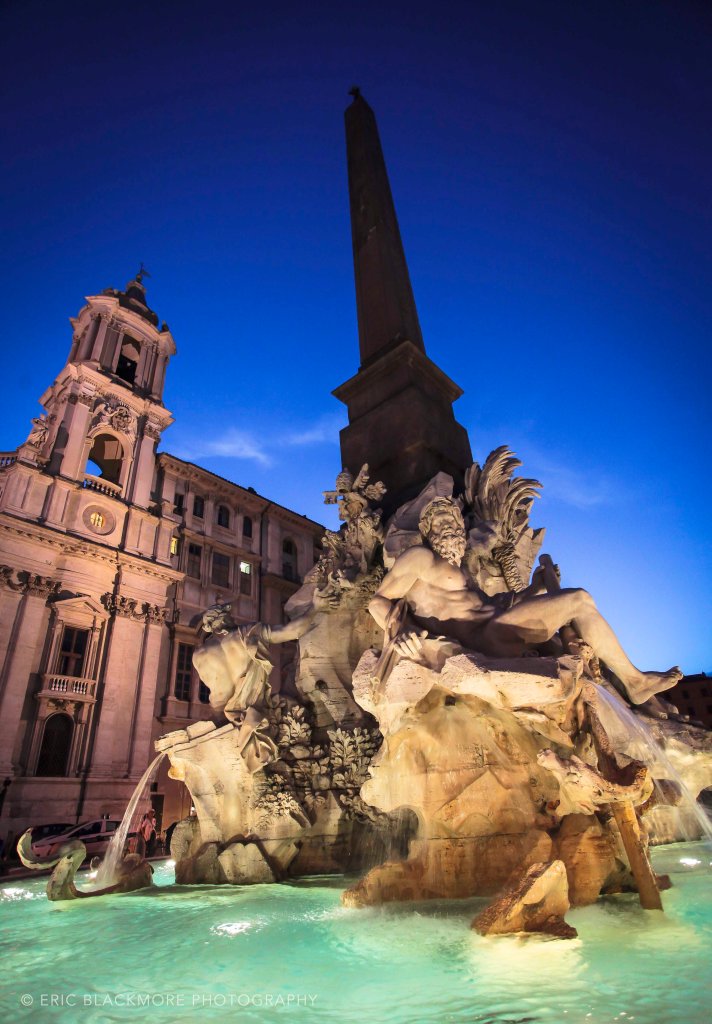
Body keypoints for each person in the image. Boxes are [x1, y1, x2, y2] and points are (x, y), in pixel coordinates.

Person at [369, 496, 681, 707]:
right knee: (579, 600)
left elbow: (499, 603)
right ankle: (635, 682)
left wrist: (535, 588)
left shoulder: (463, 572)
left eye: (452, 519)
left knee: (579, 601)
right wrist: (399, 629)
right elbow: (378, 600)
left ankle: (634, 681)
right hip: (486, 638)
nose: (448, 524)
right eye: (439, 521)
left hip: (498, 626)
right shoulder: (419, 559)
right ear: (427, 531)